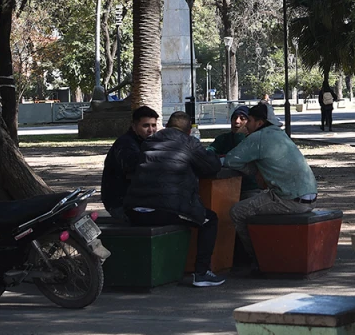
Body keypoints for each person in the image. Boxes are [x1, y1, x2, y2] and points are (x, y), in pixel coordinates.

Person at [125, 111, 225, 287]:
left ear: (167, 125)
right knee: (209, 219)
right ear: (188, 131)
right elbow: (212, 166)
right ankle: (202, 273)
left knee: (189, 215)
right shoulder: (189, 142)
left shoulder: (150, 141)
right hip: (165, 209)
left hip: (135, 208)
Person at [222, 103, 318, 268]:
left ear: (259, 123)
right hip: (309, 196)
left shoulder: (257, 137)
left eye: (249, 120)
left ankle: (256, 259)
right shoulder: (280, 134)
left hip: (288, 199)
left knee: (237, 211)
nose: (245, 124)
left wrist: (251, 170)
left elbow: (231, 160)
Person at [101, 106, 160, 221]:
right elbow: (135, 170)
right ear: (134, 126)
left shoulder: (145, 142)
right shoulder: (126, 144)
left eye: (153, 125)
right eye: (146, 125)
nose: (151, 130)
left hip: (137, 201)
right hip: (122, 204)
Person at [209, 106, 259, 197]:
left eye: (242, 119)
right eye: (234, 118)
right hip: (223, 185)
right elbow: (209, 152)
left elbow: (241, 155)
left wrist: (239, 136)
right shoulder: (223, 138)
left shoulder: (255, 140)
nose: (237, 121)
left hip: (249, 188)